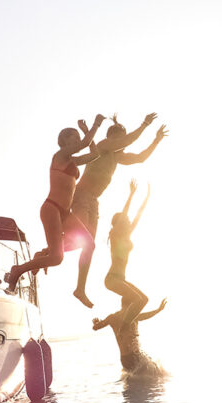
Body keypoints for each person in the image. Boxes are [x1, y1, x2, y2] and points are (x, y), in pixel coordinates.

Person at [4, 114, 105, 307]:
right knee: (57, 258)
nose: (77, 139)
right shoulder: (59, 156)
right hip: (51, 208)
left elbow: (95, 155)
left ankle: (80, 289)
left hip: (66, 213)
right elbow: (84, 144)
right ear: (64, 142)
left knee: (89, 244)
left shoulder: (73, 162)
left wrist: (86, 132)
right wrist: (96, 125)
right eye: (73, 137)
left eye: (77, 136)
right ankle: (18, 270)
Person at [69, 113, 167, 289]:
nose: (122, 145)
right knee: (81, 239)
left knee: (88, 245)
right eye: (120, 139)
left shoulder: (116, 157)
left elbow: (140, 158)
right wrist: (144, 124)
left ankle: (79, 288)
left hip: (93, 201)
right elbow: (126, 142)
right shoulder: (103, 146)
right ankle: (47, 253)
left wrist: (156, 140)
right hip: (81, 195)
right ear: (112, 137)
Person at [102, 180, 151, 328]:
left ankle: (125, 325)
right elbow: (125, 214)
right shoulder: (115, 235)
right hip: (112, 279)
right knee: (137, 299)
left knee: (144, 300)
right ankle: (124, 327)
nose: (129, 220)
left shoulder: (126, 235)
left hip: (121, 279)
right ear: (119, 223)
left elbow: (138, 215)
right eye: (126, 219)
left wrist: (147, 197)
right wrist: (131, 195)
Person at [92, 297, 168, 375]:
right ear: (132, 305)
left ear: (121, 304)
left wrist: (96, 323)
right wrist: (158, 310)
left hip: (124, 358)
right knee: (156, 374)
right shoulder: (133, 316)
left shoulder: (112, 317)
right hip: (135, 356)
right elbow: (147, 315)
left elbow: (95, 328)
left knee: (132, 383)